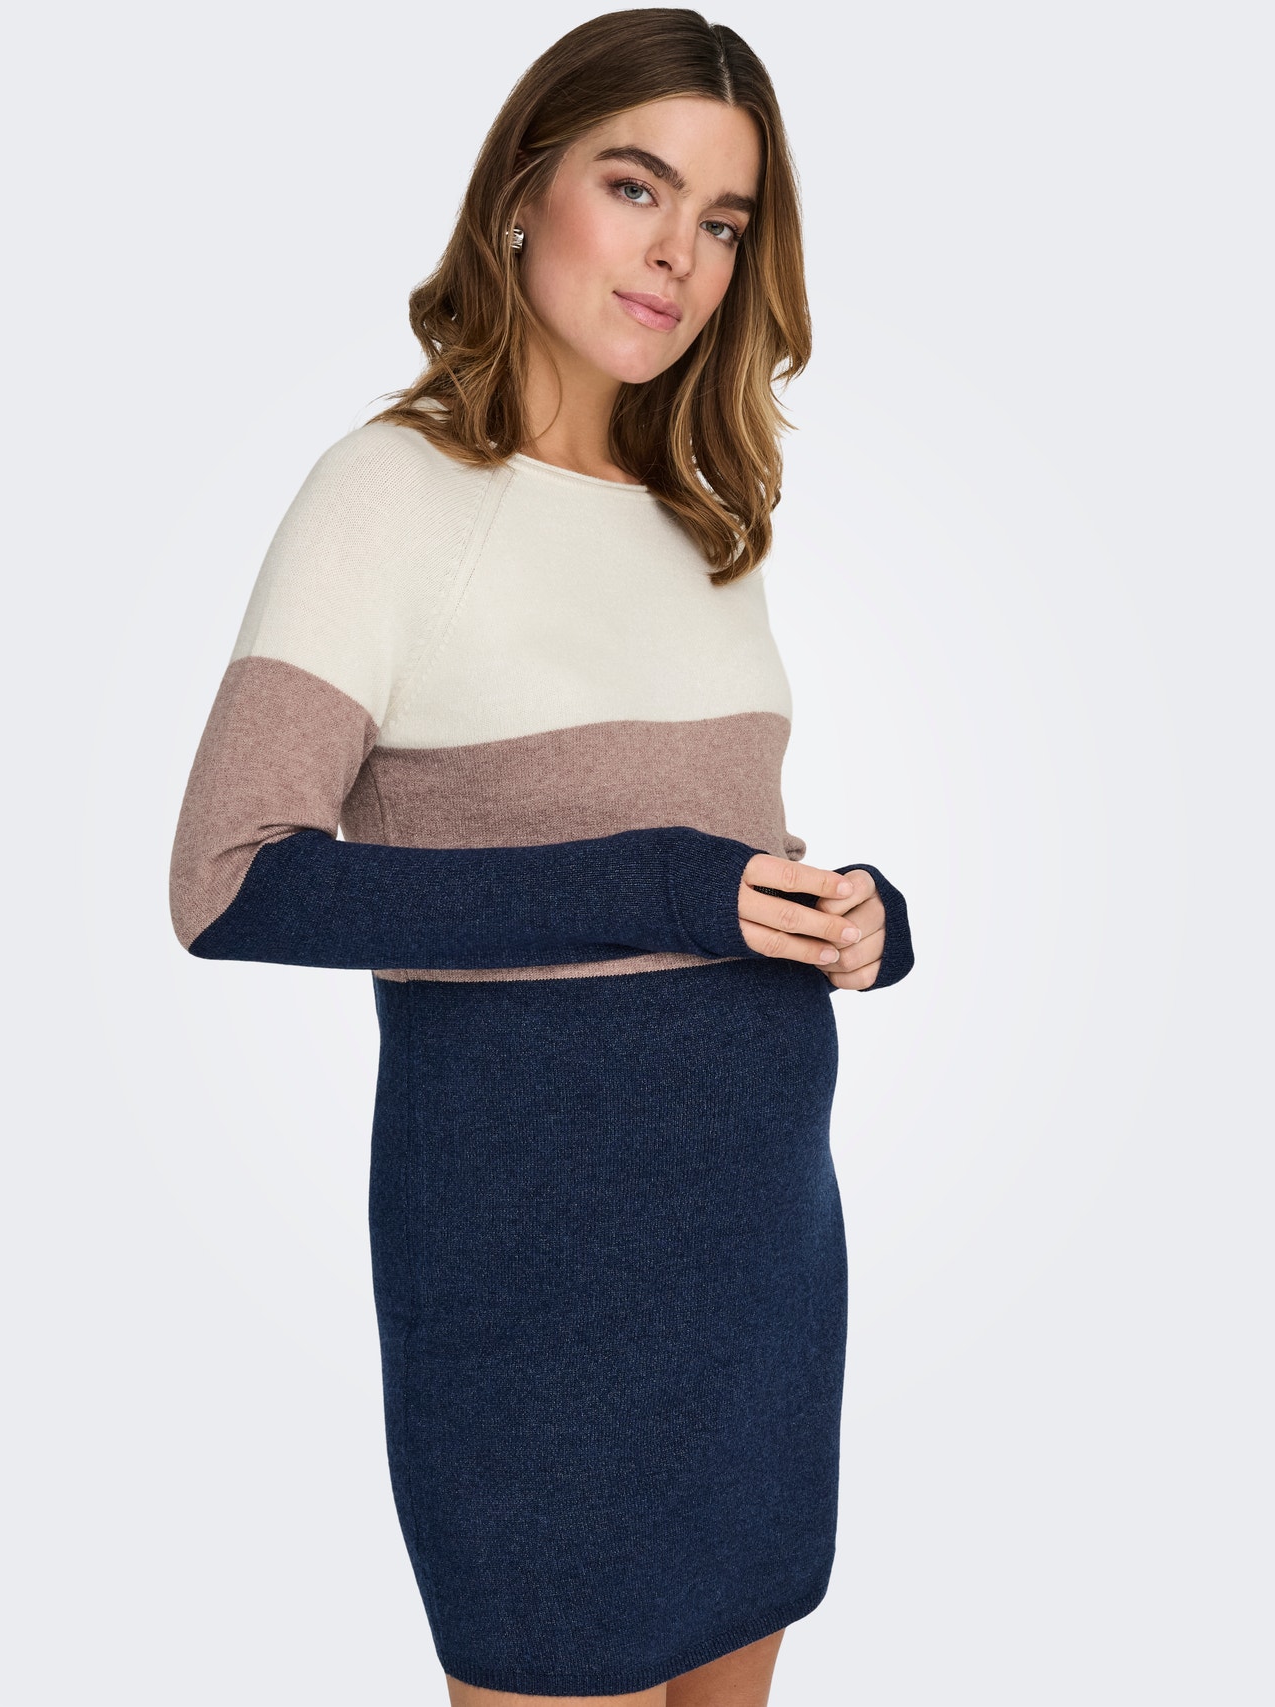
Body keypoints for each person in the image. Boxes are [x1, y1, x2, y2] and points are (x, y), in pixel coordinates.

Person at [168, 9, 915, 1704]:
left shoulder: (707, 524)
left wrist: (849, 915)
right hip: (537, 1300)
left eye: (722, 220)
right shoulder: (391, 493)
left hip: (759, 1267)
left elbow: (723, 868)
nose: (678, 255)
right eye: (636, 186)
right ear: (522, 193)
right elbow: (230, 878)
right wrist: (663, 883)